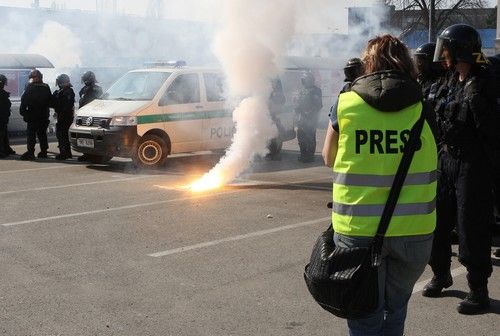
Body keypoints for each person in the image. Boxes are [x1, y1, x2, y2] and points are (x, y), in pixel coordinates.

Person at [322, 34, 437, 335]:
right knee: (396, 309)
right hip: (414, 230)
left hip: (358, 229)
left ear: (368, 64)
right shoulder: (425, 105)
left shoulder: (346, 104)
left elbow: (328, 158)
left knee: (363, 312)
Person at [422, 24, 495, 315]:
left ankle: (479, 289)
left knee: (470, 226)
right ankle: (441, 273)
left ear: (462, 50)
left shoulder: (483, 84)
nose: (444, 55)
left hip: (472, 165)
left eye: (448, 48)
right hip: (446, 158)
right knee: (436, 222)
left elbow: (491, 132)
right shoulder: (449, 80)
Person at [19, 69, 52, 160]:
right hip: (44, 115)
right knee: (42, 134)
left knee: (31, 135)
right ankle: (44, 152)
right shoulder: (46, 86)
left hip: (33, 116)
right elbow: (50, 101)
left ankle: (30, 153)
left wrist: (24, 113)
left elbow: (24, 101)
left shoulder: (30, 87)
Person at [295, 71, 322, 162]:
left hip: (311, 118)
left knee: (310, 137)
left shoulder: (316, 90)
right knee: (301, 137)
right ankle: (303, 155)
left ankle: (310, 156)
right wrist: (297, 110)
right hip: (301, 118)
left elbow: (318, 105)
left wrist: (309, 113)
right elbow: (297, 103)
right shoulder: (301, 90)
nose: (304, 81)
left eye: (305, 79)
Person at [77, 71, 102, 162]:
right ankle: (86, 154)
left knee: (93, 137)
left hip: (93, 116)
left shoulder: (97, 89)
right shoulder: (83, 89)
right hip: (83, 115)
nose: (84, 81)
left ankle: (96, 155)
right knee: (84, 136)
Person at [51, 74, 75, 160]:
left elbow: (66, 105)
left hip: (65, 117)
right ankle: (67, 153)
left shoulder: (69, 91)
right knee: (62, 135)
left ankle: (64, 153)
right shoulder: (59, 92)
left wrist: (59, 109)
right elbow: (52, 102)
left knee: (62, 135)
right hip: (61, 116)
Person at [0, 74, 14, 158]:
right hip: (2, 117)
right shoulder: (3, 94)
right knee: (1, 134)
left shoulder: (3, 93)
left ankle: (6, 148)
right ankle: (2, 151)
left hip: (3, 117)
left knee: (4, 133)